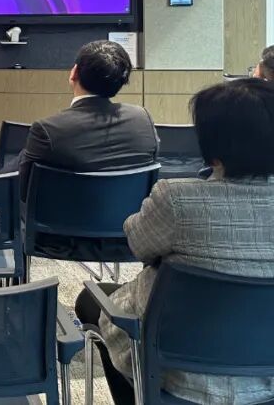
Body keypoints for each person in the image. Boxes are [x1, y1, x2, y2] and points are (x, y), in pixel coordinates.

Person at [74, 78, 274, 405]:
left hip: (178, 373)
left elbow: (138, 244)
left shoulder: (177, 198)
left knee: (91, 299)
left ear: (212, 145)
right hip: (266, 377)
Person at [18, 40, 158, 199]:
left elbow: (22, 191)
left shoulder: (48, 130)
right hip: (129, 212)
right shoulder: (142, 119)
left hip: (63, 213)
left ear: (74, 73)